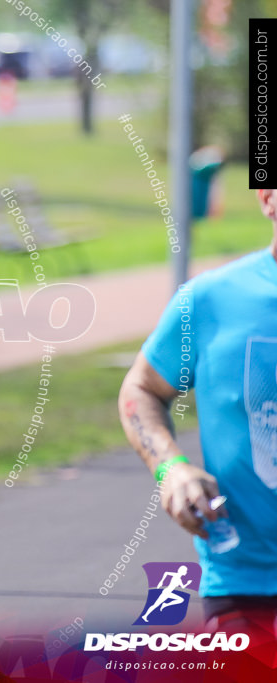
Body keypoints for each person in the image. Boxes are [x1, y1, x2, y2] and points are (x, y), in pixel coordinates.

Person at [119, 188, 277, 640]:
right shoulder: (211, 302)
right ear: (267, 198)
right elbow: (142, 389)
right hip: (246, 582)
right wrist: (171, 467)